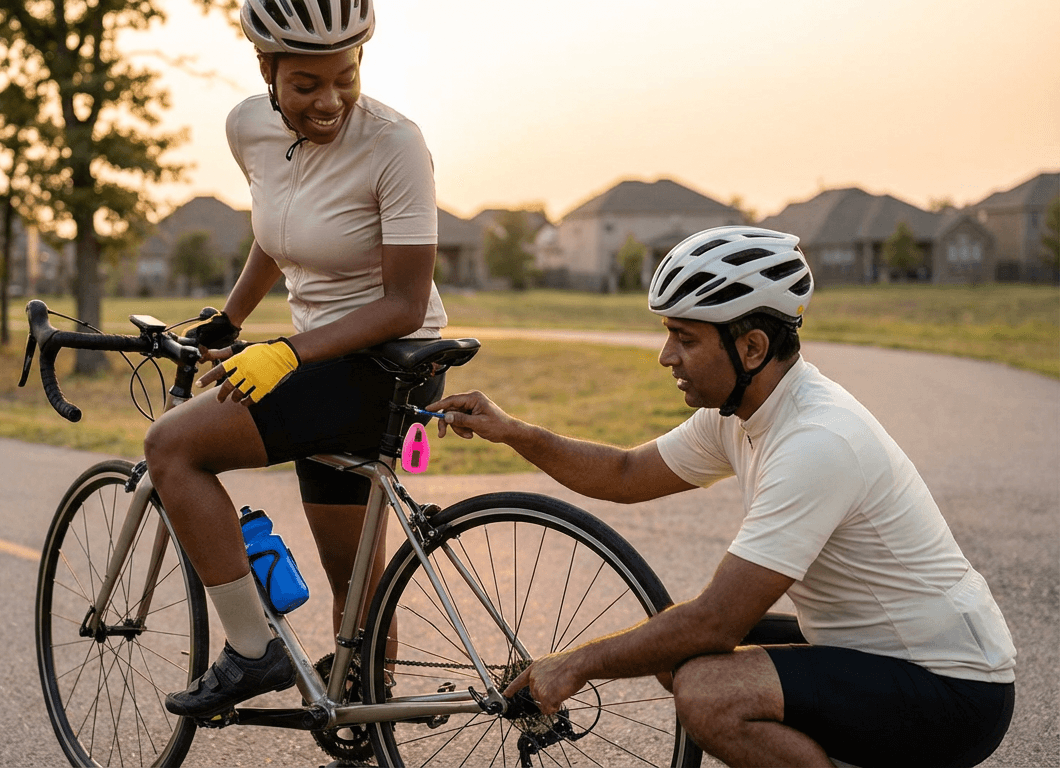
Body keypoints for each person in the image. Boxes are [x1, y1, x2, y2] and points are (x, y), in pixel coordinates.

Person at [428, 225, 1016, 768]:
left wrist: (575, 665)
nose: (666, 357)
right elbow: (628, 474)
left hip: (952, 687)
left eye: (683, 338)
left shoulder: (816, 441)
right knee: (664, 647)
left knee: (710, 694)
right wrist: (516, 432)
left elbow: (715, 622)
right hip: (865, 652)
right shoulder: (742, 412)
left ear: (752, 347)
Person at [144, 0, 448, 719]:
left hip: (391, 365)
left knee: (172, 448)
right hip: (316, 360)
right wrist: (235, 316)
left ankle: (252, 651)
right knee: (352, 582)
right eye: (306, 84)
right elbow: (279, 228)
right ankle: (368, 724)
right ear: (266, 72)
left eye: (346, 77)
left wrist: (284, 352)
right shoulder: (247, 127)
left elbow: (405, 303)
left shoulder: (396, 144)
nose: (331, 101)